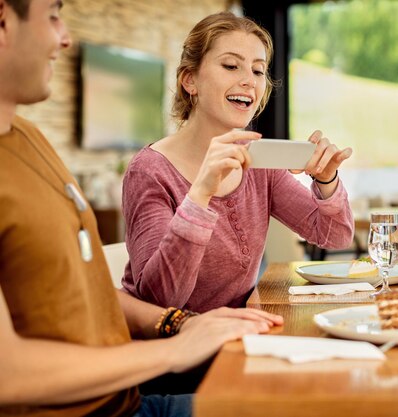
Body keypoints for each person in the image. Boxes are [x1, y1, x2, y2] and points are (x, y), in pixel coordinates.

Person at [0, 1, 283, 416]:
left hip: (126, 396)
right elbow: (8, 375)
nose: (65, 37)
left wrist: (180, 324)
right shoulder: (150, 168)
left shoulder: (29, 139)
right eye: (54, 15)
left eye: (257, 70)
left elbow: (96, 290)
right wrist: (176, 350)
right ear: (3, 20)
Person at [121, 12, 355, 312]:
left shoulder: (257, 161)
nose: (248, 81)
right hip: (177, 345)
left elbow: (336, 236)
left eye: (258, 71)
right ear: (190, 80)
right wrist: (200, 194)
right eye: (231, 66)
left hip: (241, 333)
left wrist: (326, 180)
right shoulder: (150, 171)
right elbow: (161, 300)